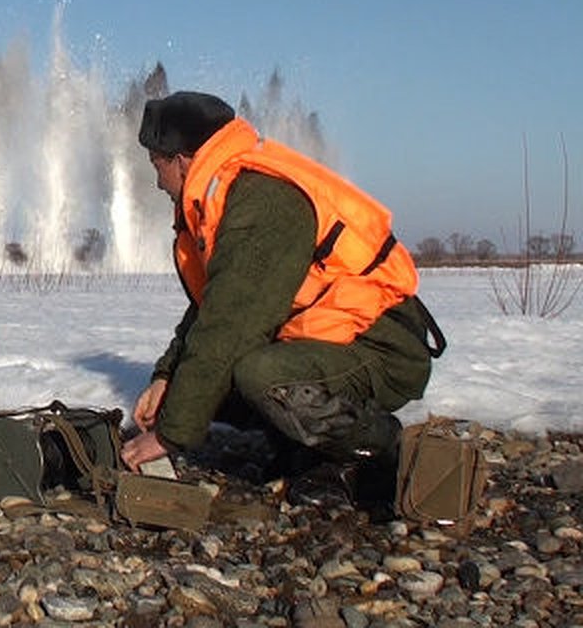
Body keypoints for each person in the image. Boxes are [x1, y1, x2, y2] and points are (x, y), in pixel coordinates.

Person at [120, 91, 445, 516]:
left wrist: (169, 437)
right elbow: (214, 306)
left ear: (182, 158)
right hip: (327, 344)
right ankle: (304, 448)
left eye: (156, 166)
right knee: (218, 378)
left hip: (380, 345)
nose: (157, 182)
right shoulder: (223, 196)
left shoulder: (261, 200)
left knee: (262, 375)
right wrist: (167, 377)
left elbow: (231, 326)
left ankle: (375, 450)